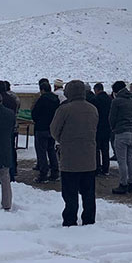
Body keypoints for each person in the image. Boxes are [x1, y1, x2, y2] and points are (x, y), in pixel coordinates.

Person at [50, 80, 99, 227]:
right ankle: (89, 220)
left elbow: (54, 130)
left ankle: (70, 220)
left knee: (70, 194)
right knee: (89, 193)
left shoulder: (64, 109)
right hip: (89, 157)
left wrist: (63, 140)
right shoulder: (93, 109)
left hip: (70, 158)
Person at [110, 81, 132, 194]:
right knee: (130, 160)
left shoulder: (116, 101)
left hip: (121, 132)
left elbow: (112, 117)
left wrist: (113, 128)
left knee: (122, 161)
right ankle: (131, 183)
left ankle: (123, 184)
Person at [31, 81, 60, 182]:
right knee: (51, 150)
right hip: (52, 128)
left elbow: (35, 113)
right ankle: (55, 172)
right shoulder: (56, 99)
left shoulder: (42, 99)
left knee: (41, 152)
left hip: (41, 128)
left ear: (42, 90)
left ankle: (43, 174)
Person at [0, 80, 19, 181]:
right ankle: (12, 173)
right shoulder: (12, 100)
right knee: (11, 151)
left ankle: (0, 175)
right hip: (11, 129)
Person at [91, 83, 112, 176]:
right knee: (105, 149)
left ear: (96, 90)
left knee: (96, 149)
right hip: (107, 127)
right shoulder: (109, 100)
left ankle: (97, 168)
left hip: (97, 127)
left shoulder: (95, 100)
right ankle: (106, 168)